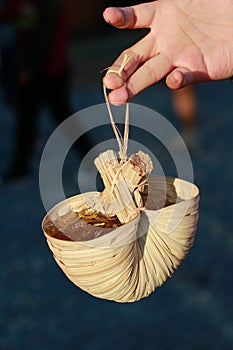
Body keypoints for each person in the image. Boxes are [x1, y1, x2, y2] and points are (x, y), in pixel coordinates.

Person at [102, 0, 233, 106]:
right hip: (167, 25)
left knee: (182, 82)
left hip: (176, 25)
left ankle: (190, 129)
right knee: (180, 79)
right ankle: (189, 129)